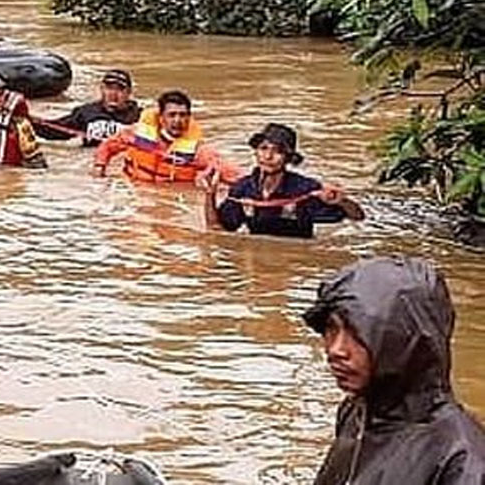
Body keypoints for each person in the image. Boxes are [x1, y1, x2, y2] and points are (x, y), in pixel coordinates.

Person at [303, 256, 485, 484]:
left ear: (405, 339)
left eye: (357, 332)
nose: (336, 350)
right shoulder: (356, 412)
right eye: (331, 328)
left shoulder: (462, 461)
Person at [205, 123, 364, 238]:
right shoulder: (242, 189)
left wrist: (342, 201)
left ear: (288, 158)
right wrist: (210, 195)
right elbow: (216, 230)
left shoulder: (305, 189)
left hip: (298, 257)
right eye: (263, 148)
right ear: (256, 153)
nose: (268, 157)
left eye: (278, 151)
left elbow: (357, 217)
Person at [93, 89, 240, 184]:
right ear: (161, 118)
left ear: (189, 118)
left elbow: (233, 175)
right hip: (132, 193)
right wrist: (99, 169)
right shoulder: (136, 133)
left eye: (183, 115)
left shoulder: (199, 152)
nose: (177, 121)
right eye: (172, 115)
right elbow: (107, 147)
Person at [41, 69, 141, 147]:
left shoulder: (140, 116)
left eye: (120, 89)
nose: (113, 94)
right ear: (102, 89)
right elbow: (53, 130)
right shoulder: (86, 113)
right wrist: (29, 119)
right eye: (109, 88)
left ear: (128, 92)